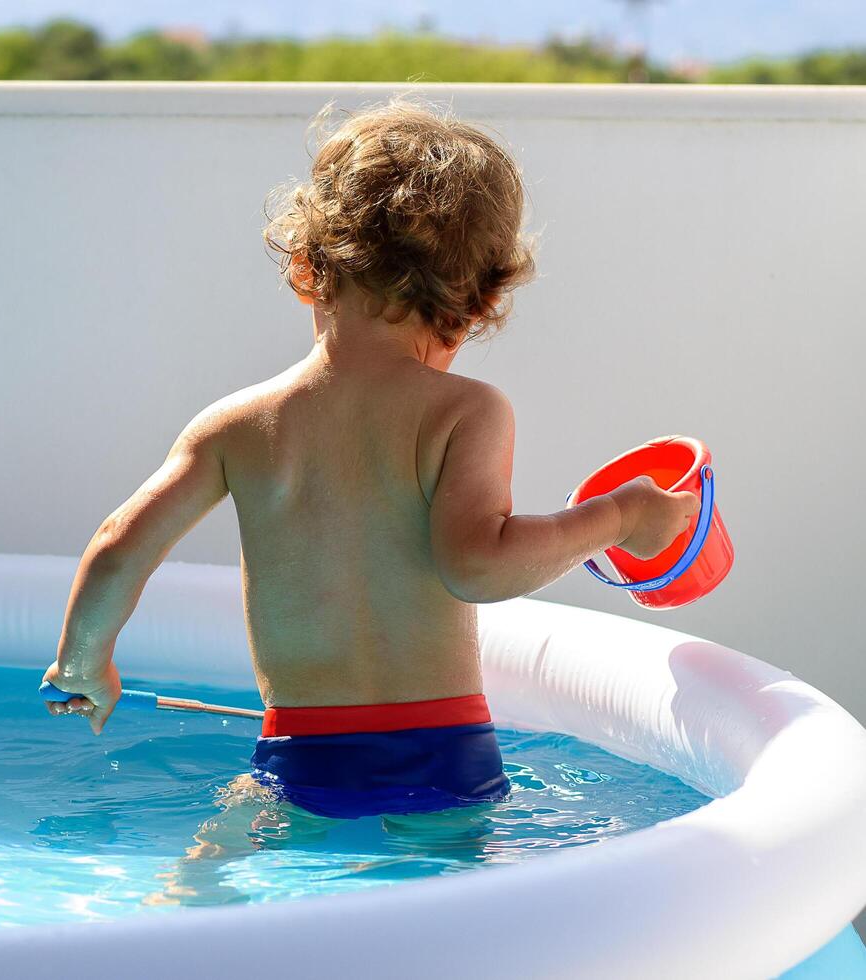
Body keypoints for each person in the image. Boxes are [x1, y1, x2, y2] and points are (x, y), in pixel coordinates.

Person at [42, 100, 699, 817]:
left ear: (305, 270)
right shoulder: (464, 412)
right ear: (477, 304)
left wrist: (84, 665)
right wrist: (621, 513)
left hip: (298, 754)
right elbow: (478, 565)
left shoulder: (234, 426)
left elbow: (117, 547)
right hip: (443, 756)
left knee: (225, 857)